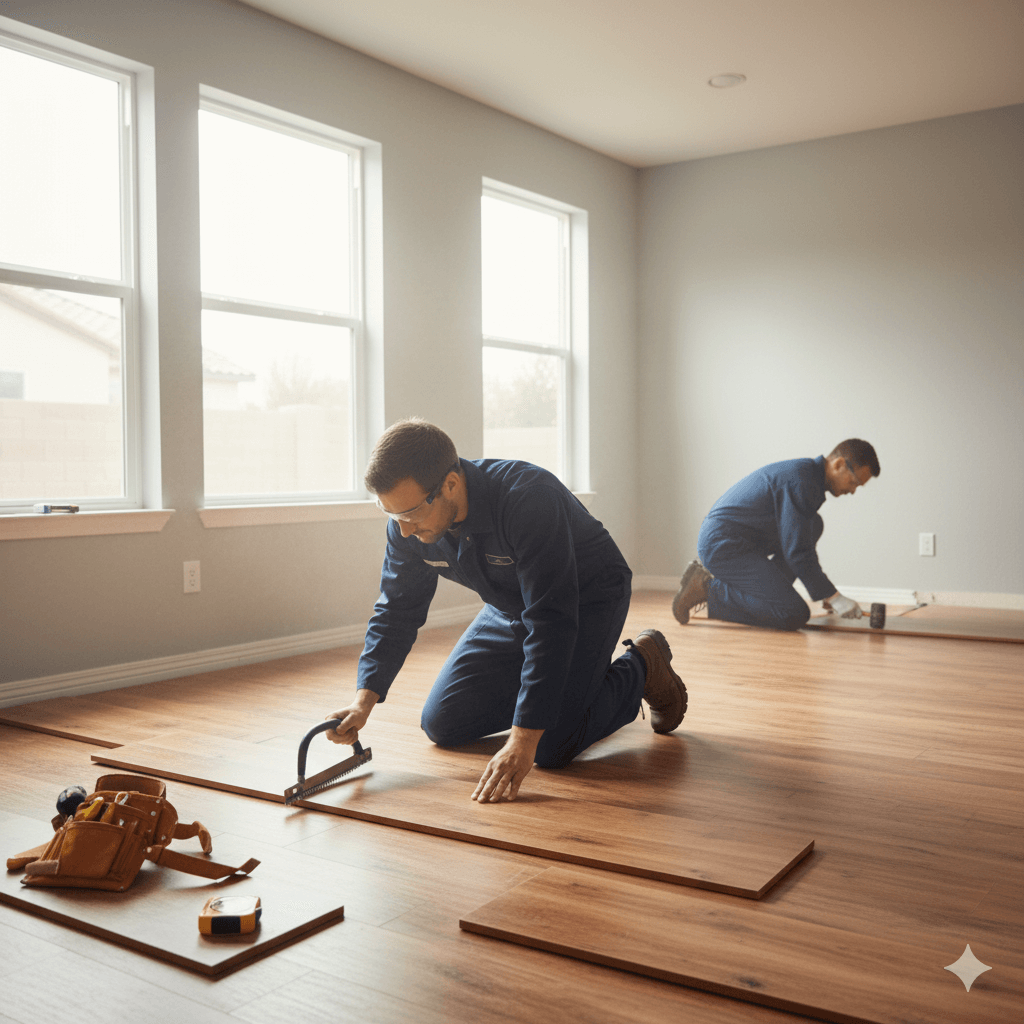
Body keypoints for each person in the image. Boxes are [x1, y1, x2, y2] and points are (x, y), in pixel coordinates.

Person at [325, 419, 688, 803]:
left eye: (411, 514)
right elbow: (396, 609)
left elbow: (551, 621)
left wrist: (523, 736)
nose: (404, 532)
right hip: (509, 605)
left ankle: (643, 665)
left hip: (585, 598)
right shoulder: (406, 526)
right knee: (442, 723)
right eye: (392, 515)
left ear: (450, 484)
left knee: (549, 747)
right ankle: (557, 694)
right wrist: (363, 701)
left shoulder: (528, 498)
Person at [672, 439, 880, 631]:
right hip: (723, 545)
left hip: (739, 541)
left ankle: (773, 596)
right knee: (794, 613)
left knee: (813, 525)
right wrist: (833, 596)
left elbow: (796, 542)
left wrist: (824, 594)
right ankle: (706, 588)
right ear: (838, 464)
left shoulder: (808, 478)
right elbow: (798, 551)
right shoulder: (802, 481)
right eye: (853, 482)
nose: (853, 491)